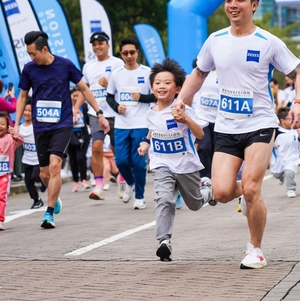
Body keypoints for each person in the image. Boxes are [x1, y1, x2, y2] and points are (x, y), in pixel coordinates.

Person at [174, 0, 300, 269]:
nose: (233, 5)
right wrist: (181, 99)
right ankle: (247, 187)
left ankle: (255, 249)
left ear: (254, 5)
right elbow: (199, 74)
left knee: (250, 190)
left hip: (260, 124)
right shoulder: (215, 40)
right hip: (226, 126)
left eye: (240, 0)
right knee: (222, 193)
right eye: (229, 1)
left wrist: (299, 103)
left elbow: (299, 76)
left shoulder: (268, 42)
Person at [14, 31, 109, 229]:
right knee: (44, 174)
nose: (31, 57)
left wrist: (99, 112)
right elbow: (23, 96)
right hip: (40, 126)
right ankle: (53, 196)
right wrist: (15, 124)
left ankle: (48, 214)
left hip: (62, 123)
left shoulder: (65, 65)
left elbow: (84, 88)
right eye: (29, 54)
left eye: (33, 53)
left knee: (55, 164)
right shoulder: (29, 69)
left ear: (45, 49)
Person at [137, 58, 216, 261]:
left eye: (167, 83)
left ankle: (207, 188)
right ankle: (164, 241)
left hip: (185, 164)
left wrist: (185, 119)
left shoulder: (184, 110)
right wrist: (146, 143)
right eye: (157, 83)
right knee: (163, 199)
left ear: (178, 88)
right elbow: (153, 130)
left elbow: (200, 134)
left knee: (195, 204)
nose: (161, 86)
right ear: (152, 87)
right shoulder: (149, 113)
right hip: (162, 164)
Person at [75, 31, 124, 200]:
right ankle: (98, 185)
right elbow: (84, 89)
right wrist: (75, 109)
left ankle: (123, 178)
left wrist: (108, 84)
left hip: (115, 112)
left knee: (118, 149)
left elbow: (124, 86)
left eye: (100, 43)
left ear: (107, 45)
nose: (97, 47)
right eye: (94, 44)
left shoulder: (117, 63)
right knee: (96, 146)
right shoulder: (88, 66)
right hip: (95, 113)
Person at [106, 37, 153, 209]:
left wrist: (142, 98)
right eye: (125, 53)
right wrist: (117, 107)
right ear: (121, 54)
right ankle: (130, 183)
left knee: (139, 162)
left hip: (141, 123)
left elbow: (156, 95)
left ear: (137, 52)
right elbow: (109, 96)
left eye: (132, 52)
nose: (129, 56)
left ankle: (140, 197)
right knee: (121, 162)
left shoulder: (147, 72)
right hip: (121, 125)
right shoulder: (116, 74)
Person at [0, 112, 24, 230]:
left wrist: (14, 133)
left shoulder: (9, 139)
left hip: (4, 174)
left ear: (7, 127)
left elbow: (21, 140)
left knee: (1, 196)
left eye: (2, 124)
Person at [191, 59, 219, 179]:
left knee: (218, 152)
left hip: (220, 120)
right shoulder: (198, 72)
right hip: (203, 118)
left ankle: (217, 178)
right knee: (204, 147)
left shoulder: (224, 72)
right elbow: (192, 92)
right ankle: (205, 179)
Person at [19, 100, 44, 209]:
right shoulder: (20, 127)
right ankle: (36, 200)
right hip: (27, 159)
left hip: (38, 159)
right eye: (25, 110)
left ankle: (44, 181)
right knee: (28, 182)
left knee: (35, 176)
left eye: (30, 110)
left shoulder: (37, 125)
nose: (27, 113)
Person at [271, 107, 300, 198]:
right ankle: (281, 177)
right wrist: (276, 145)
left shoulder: (295, 130)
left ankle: (291, 189)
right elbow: (271, 142)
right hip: (279, 158)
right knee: (276, 174)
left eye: (293, 118)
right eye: (289, 118)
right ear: (282, 121)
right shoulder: (276, 131)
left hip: (292, 158)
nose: (292, 120)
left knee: (289, 172)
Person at [68, 88, 91, 192]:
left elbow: (89, 121)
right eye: (74, 96)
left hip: (83, 134)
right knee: (73, 159)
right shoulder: (66, 108)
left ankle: (84, 180)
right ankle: (76, 182)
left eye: (78, 96)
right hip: (70, 135)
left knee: (81, 157)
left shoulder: (84, 106)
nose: (76, 98)